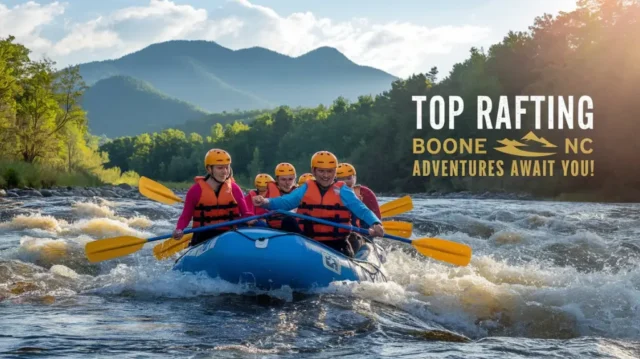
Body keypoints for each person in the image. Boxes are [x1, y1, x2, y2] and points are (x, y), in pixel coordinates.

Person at [253, 151, 384, 257]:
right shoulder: (306, 188)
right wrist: (265, 202)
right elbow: (285, 202)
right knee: (288, 220)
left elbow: (361, 209)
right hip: (309, 242)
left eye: (329, 171)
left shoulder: (343, 190)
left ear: (335, 172)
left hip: (337, 243)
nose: (325, 175)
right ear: (314, 171)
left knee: (352, 241)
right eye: (321, 171)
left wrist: (375, 223)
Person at [172, 149, 255, 247]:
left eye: (227, 167)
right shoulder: (195, 191)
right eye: (220, 168)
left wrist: (251, 219)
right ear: (209, 169)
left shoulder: (235, 189)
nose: (225, 172)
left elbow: (245, 213)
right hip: (203, 236)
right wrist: (179, 229)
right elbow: (186, 216)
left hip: (229, 234)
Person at [336, 163, 381, 229]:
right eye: (341, 179)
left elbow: (375, 214)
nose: (344, 182)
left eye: (349, 178)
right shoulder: (333, 190)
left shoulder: (365, 193)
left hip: (362, 230)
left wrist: (376, 223)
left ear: (355, 178)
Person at [265, 162, 298, 229]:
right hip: (272, 229)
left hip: (294, 229)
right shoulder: (266, 193)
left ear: (295, 179)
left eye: (290, 179)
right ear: (277, 180)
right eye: (283, 179)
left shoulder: (300, 193)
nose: (287, 183)